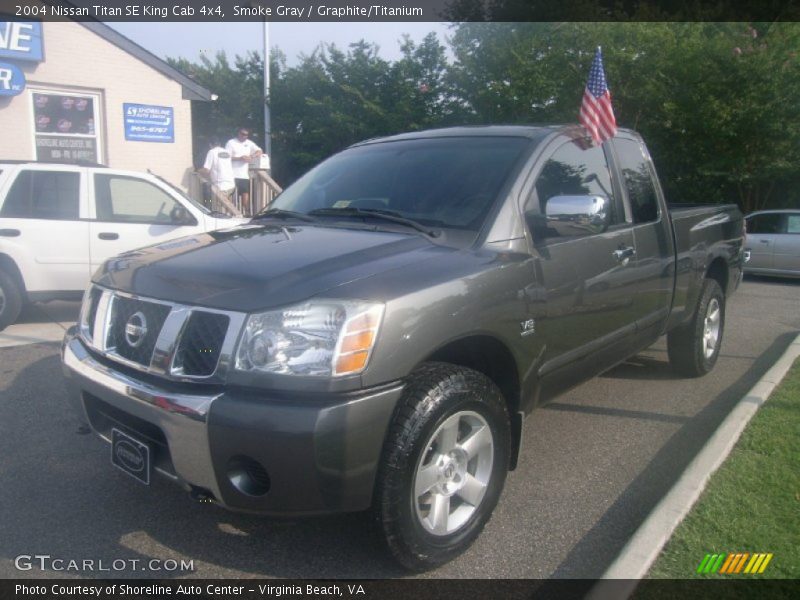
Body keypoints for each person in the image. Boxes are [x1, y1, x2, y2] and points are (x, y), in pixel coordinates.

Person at [225, 128, 262, 215]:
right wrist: (240, 158)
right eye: (242, 134)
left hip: (243, 174)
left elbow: (259, 151)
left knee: (245, 192)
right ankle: (230, 211)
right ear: (238, 133)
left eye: (246, 134)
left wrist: (251, 157)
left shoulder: (249, 143)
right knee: (230, 193)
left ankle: (247, 211)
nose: (244, 136)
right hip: (231, 173)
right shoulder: (231, 142)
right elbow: (226, 157)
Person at [198, 137, 235, 203]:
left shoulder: (212, 152)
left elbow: (206, 170)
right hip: (231, 185)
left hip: (221, 186)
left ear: (210, 145)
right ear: (220, 144)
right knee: (228, 206)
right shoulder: (226, 152)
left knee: (218, 207)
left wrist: (198, 170)